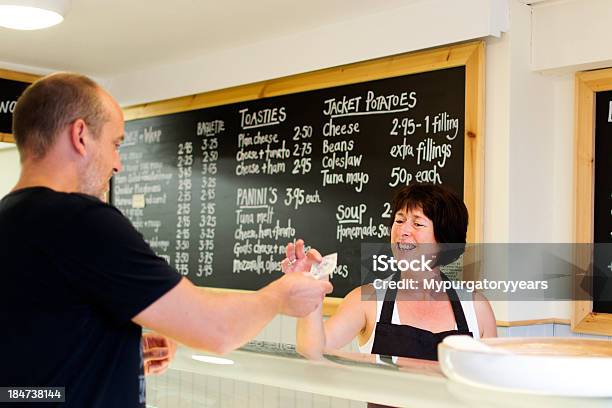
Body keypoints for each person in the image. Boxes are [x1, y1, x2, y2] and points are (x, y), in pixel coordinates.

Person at [0, 73, 332, 407]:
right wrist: (279, 296)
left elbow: (27, 378)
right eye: (116, 144)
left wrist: (117, 359)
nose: (117, 165)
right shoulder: (81, 221)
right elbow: (216, 330)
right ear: (81, 135)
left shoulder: (10, 218)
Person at [287, 184, 496, 361]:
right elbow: (311, 351)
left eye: (417, 223)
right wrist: (309, 291)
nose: (403, 231)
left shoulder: (477, 309)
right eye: (399, 220)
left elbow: (493, 383)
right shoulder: (366, 300)